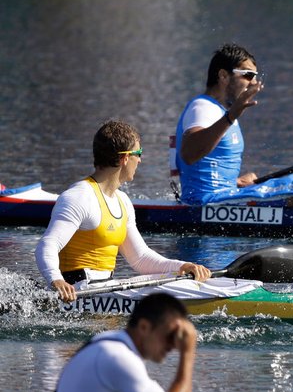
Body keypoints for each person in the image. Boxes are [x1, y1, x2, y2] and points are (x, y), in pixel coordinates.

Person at [36, 120, 212, 303]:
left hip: (106, 286)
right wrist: (56, 280)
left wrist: (182, 266)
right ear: (125, 158)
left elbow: (140, 258)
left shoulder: (123, 201)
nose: (141, 159)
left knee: (184, 281)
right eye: (139, 153)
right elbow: (47, 245)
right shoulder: (79, 197)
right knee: (175, 292)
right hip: (77, 292)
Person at [173, 43, 293, 206]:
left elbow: (204, 169)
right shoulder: (203, 107)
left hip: (225, 195)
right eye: (248, 75)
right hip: (208, 202)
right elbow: (188, 155)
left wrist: (236, 182)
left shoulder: (218, 111)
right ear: (223, 75)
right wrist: (232, 114)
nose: (254, 83)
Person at [48, 293, 197, 392]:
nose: (173, 345)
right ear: (144, 327)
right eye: (170, 335)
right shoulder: (120, 358)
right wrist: (187, 351)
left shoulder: (109, 341)